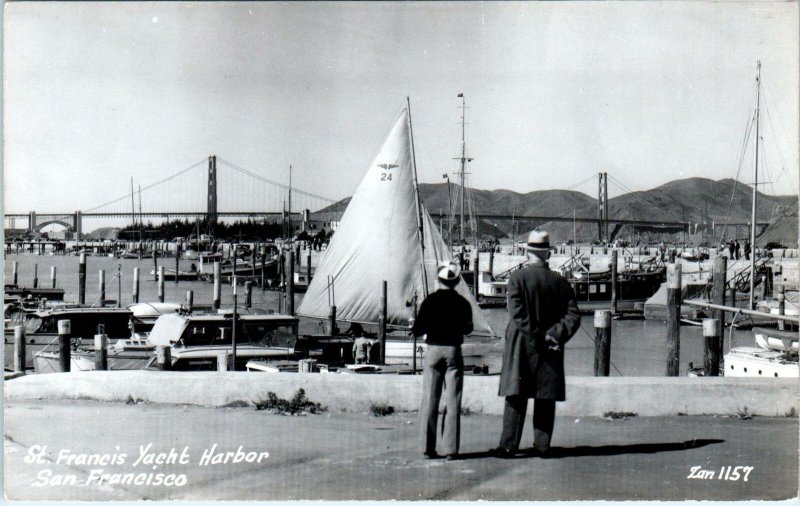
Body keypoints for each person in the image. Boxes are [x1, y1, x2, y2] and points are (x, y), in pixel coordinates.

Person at [495, 230, 580, 458]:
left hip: (521, 345)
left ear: (528, 253)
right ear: (548, 254)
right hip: (550, 348)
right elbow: (573, 316)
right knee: (545, 396)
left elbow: (518, 314)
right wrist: (552, 335)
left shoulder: (517, 279)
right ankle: (542, 446)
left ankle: (508, 446)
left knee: (516, 396)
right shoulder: (561, 282)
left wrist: (536, 336)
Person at [412, 261, 473, 460]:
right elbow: (468, 329)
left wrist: (416, 325)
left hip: (433, 351)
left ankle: (427, 447)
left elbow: (418, 330)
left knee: (430, 398)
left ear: (438, 278)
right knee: (453, 401)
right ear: (456, 281)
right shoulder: (463, 303)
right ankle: (450, 450)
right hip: (453, 351)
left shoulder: (429, 301)